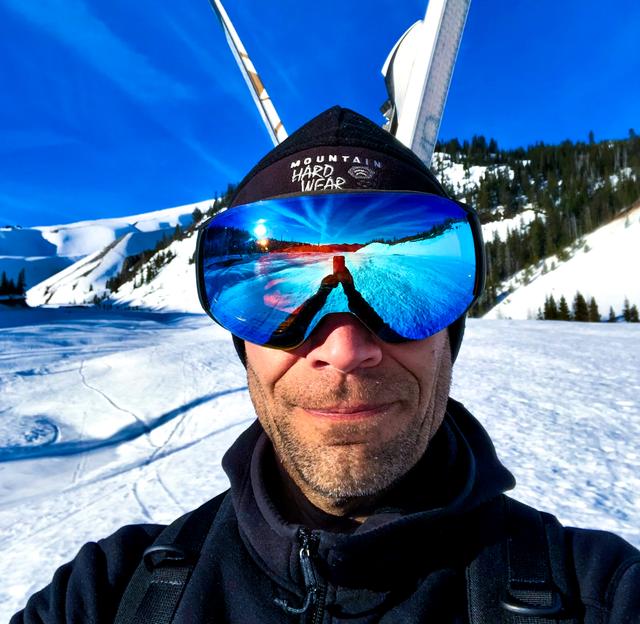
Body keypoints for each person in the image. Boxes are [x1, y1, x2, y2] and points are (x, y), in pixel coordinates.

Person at [12, 107, 640, 623]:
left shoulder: (597, 593)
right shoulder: (109, 593)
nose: (343, 349)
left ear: (452, 332)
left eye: (412, 286)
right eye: (276, 295)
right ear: (242, 343)